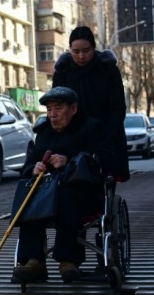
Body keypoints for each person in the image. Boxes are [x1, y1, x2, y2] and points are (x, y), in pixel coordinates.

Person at [12, 87, 114, 284]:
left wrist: (70, 161)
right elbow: (28, 165)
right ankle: (34, 261)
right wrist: (34, 168)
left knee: (67, 195)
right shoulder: (43, 134)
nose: (52, 115)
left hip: (84, 193)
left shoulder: (92, 128)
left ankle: (68, 262)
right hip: (47, 194)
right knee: (30, 196)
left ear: (73, 109)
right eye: (49, 110)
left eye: (58, 108)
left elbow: (106, 159)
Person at [52, 26, 130, 182]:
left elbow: (118, 108)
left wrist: (107, 135)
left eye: (86, 50)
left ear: (94, 48)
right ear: (70, 50)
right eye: (76, 52)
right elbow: (57, 106)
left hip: (104, 136)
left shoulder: (108, 70)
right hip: (72, 138)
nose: (81, 56)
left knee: (101, 178)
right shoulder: (62, 73)